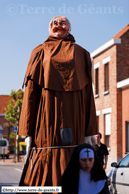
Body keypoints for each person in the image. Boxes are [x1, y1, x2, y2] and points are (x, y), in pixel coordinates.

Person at [18, 16, 98, 188]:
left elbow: (88, 95)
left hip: (76, 121)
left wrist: (89, 130)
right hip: (45, 124)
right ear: (49, 29)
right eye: (54, 22)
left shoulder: (83, 54)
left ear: (69, 27)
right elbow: (30, 93)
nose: (58, 25)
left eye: (62, 22)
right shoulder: (38, 51)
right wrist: (28, 132)